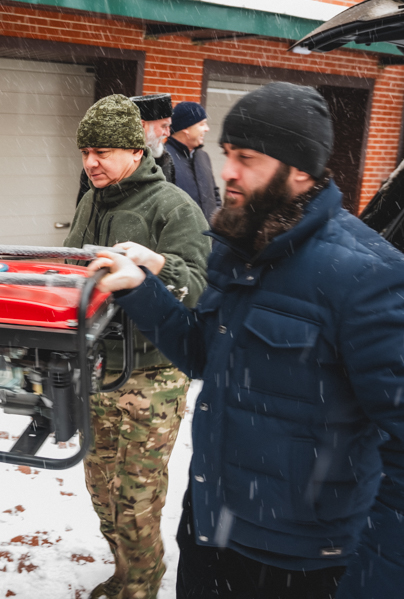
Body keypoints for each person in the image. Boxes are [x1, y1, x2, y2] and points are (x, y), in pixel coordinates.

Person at [88, 82, 404, 599]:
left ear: (300, 169)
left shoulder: (367, 278)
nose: (228, 171)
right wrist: (141, 289)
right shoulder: (243, 249)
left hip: (300, 564)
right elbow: (202, 354)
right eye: (228, 154)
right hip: (211, 536)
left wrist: (373, 583)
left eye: (247, 158)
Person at [65, 94, 211, 599]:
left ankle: (141, 588)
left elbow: (199, 287)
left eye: (102, 151)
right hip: (100, 368)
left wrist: (157, 264)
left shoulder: (172, 206)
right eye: (85, 151)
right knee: (102, 490)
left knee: (136, 498)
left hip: (153, 375)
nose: (90, 162)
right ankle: (126, 570)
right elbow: (72, 273)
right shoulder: (90, 200)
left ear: (133, 151)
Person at [77, 93, 176, 204]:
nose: (168, 133)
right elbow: (86, 211)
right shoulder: (99, 168)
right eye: (164, 126)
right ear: (142, 125)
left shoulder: (167, 161)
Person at [164, 101, 221, 221]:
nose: (207, 129)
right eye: (202, 124)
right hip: (181, 237)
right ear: (186, 128)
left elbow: (215, 194)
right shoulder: (162, 159)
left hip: (210, 237)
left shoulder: (203, 156)